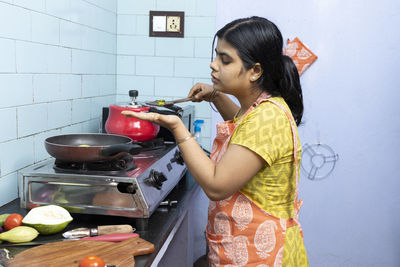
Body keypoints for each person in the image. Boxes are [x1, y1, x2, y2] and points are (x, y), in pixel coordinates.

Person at [122, 16, 309, 267]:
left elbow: (217, 185)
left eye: (225, 60)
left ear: (255, 71)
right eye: (216, 56)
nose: (213, 65)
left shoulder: (267, 118)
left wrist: (178, 128)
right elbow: (244, 131)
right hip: (248, 248)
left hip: (263, 255)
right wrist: (215, 96)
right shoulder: (262, 108)